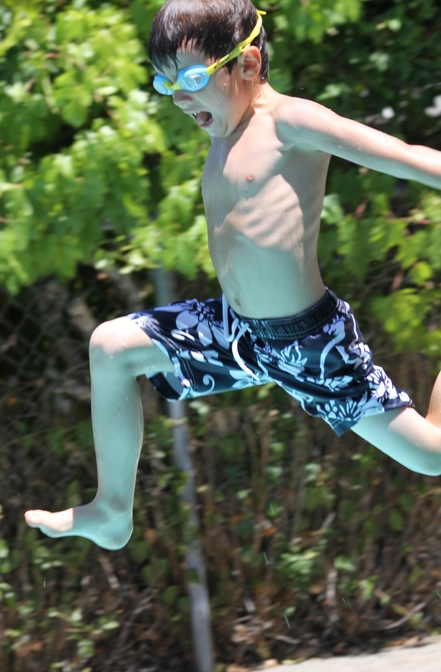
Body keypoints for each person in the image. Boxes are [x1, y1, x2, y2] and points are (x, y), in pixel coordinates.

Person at [25, 0, 441, 548]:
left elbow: (406, 155)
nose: (179, 97)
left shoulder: (291, 121)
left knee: (431, 457)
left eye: (193, 79)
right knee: (110, 347)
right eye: (166, 82)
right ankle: (111, 511)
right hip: (234, 330)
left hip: (306, 343)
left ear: (248, 64)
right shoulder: (223, 131)